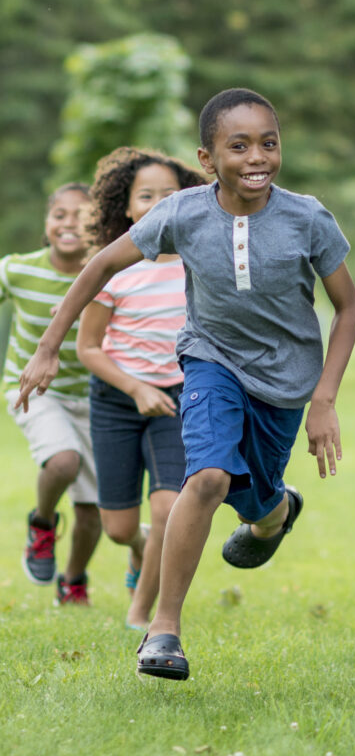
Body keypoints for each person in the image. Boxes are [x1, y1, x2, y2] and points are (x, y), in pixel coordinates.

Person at [16, 87, 355, 680]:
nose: (258, 157)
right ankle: (163, 631)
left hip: (283, 386)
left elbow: (349, 307)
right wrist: (49, 346)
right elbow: (100, 265)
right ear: (207, 160)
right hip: (210, 362)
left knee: (257, 499)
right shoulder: (182, 213)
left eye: (269, 144)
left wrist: (324, 398)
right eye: (240, 146)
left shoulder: (307, 218)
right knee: (205, 477)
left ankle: (276, 512)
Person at [77, 148, 207, 630]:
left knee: (171, 506)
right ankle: (138, 548)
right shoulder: (113, 267)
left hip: (176, 399)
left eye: (169, 195)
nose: (158, 203)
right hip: (116, 399)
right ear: (127, 208)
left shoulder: (199, 264)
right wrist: (134, 388)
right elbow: (88, 349)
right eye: (145, 196)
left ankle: (141, 613)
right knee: (119, 529)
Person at [1, 182, 102, 604]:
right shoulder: (19, 270)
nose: (69, 224)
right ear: (47, 223)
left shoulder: (108, 272)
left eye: (82, 216)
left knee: (91, 512)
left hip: (96, 401)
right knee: (62, 461)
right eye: (60, 214)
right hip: (33, 391)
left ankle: (74, 581)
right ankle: (42, 524)